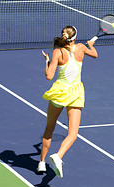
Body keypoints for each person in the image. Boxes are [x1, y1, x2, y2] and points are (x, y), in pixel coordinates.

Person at [37, 25, 98, 178]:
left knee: (49, 128)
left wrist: (47, 61)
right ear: (75, 38)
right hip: (76, 92)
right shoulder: (81, 48)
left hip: (60, 92)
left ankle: (42, 162)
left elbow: (49, 76)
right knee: (73, 133)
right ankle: (58, 155)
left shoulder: (58, 52)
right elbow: (95, 55)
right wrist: (90, 45)